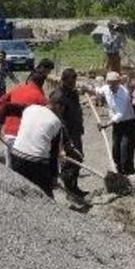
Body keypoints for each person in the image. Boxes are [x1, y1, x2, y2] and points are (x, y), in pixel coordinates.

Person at [11, 103, 63, 197]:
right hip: (37, 161)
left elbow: (8, 107)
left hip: (16, 154)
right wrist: (53, 177)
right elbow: (54, 153)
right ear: (60, 108)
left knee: (21, 188)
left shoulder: (30, 108)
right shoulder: (56, 122)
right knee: (46, 194)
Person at [0, 70, 49, 169]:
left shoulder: (16, 90)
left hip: (9, 134)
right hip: (26, 139)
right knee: (24, 171)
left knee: (9, 169)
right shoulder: (41, 99)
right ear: (42, 83)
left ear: (29, 79)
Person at [50, 68, 88, 198]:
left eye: (75, 80)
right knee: (69, 161)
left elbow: (76, 110)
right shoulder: (58, 96)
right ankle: (70, 190)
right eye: (71, 80)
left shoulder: (73, 93)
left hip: (75, 131)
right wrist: (66, 139)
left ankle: (74, 187)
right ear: (64, 80)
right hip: (66, 134)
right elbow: (59, 119)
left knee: (78, 158)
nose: (74, 83)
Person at [96, 71, 135, 174]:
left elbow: (120, 114)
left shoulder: (124, 93)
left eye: (114, 83)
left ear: (119, 82)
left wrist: (106, 124)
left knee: (125, 150)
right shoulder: (106, 88)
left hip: (128, 123)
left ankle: (129, 171)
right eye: (110, 83)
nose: (112, 86)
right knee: (116, 150)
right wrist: (87, 89)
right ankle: (119, 171)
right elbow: (98, 91)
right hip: (117, 124)